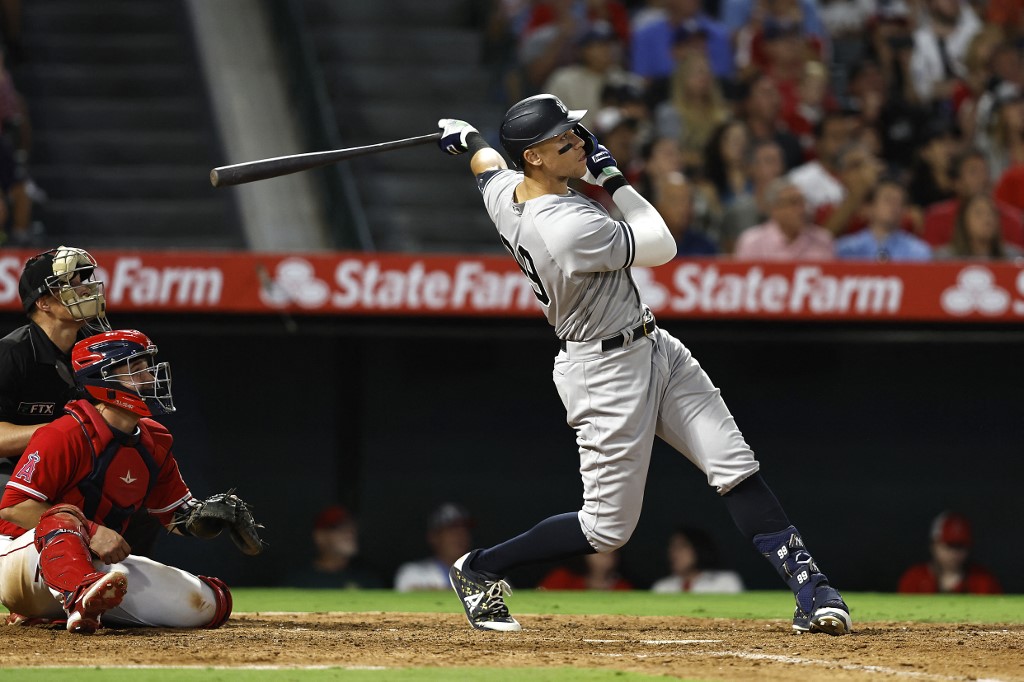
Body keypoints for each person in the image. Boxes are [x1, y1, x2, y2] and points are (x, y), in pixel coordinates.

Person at [435, 94, 851, 635]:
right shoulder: (560, 224)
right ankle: (481, 567)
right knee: (607, 530)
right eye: (565, 137)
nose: (580, 141)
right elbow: (662, 243)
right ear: (535, 156)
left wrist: (467, 137)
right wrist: (613, 177)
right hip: (602, 371)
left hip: (655, 344)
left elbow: (487, 165)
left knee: (733, 464)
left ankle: (812, 588)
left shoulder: (507, 189)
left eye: (576, 132)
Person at [0, 329, 246, 633]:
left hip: (95, 564)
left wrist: (211, 516)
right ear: (102, 379)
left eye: (147, 367)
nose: (149, 377)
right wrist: (91, 531)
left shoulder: (155, 440)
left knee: (207, 605)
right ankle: (74, 598)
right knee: (64, 516)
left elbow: (177, 518)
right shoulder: (64, 433)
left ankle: (74, 606)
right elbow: (13, 507)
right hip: (24, 561)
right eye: (135, 369)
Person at [0, 247, 163, 559]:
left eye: (84, 280)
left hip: (76, 468)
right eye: (70, 284)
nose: (86, 288)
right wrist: (64, 433)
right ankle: (32, 588)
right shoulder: (11, 355)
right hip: (15, 473)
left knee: (138, 507)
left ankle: (121, 588)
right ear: (43, 302)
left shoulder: (100, 346)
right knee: (24, 503)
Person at [898, 511, 1002, 594]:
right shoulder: (914, 579)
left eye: (960, 546)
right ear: (934, 545)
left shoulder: (983, 581)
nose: (954, 552)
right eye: (949, 545)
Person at [284, 505, 384, 589]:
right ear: (320, 536)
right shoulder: (298, 581)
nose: (349, 533)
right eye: (338, 527)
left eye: (351, 527)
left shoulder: (368, 579)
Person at [733, 178, 835, 260]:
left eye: (803, 202)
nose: (802, 209)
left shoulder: (822, 240)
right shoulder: (752, 242)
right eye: (793, 203)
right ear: (774, 209)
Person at [835, 178, 932, 261]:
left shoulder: (918, 251)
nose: (894, 206)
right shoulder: (846, 249)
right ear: (870, 207)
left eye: (899, 202)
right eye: (888, 200)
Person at [394, 502, 474, 592]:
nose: (459, 536)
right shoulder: (412, 572)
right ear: (434, 537)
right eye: (451, 531)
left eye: (463, 531)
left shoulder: (482, 574)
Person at [651, 525, 744, 593]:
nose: (673, 553)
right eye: (672, 548)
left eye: (680, 547)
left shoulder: (725, 582)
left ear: (698, 549)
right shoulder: (662, 587)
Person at [934, 193, 1024, 259]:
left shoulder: (1013, 257)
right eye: (979, 213)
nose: (987, 219)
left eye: (991, 213)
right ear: (963, 221)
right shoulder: (945, 258)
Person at [538, 549, 633, 590]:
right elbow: (540, 598)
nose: (605, 554)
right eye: (598, 551)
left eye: (611, 551)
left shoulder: (622, 587)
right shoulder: (562, 577)